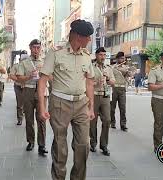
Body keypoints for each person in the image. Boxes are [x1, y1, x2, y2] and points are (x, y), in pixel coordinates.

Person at [38, 19, 95, 180]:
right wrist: (42, 108)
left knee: (84, 146)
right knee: (60, 147)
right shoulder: (56, 53)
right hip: (60, 104)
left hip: (81, 104)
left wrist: (91, 107)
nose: (89, 40)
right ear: (77, 36)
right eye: (87, 37)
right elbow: (42, 81)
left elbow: (89, 81)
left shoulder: (86, 55)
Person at [16, 39, 48, 156]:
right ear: (30, 48)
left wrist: (43, 76)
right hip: (28, 90)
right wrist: (29, 76)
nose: (36, 50)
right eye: (34, 47)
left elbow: (51, 76)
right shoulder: (24, 62)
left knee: (42, 118)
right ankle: (30, 141)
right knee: (29, 119)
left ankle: (42, 144)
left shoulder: (45, 62)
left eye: (38, 47)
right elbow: (19, 77)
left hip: (42, 91)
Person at [90, 47, 115, 156]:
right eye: (101, 55)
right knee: (92, 121)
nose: (103, 57)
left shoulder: (108, 68)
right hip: (94, 96)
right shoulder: (90, 67)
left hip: (105, 96)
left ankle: (104, 145)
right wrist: (96, 82)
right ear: (96, 55)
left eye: (104, 55)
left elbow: (113, 82)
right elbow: (85, 82)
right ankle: (93, 143)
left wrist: (108, 79)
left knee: (107, 120)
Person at [110, 52, 131, 131]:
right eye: (121, 58)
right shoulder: (112, 67)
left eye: (123, 58)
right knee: (112, 108)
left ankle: (123, 124)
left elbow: (130, 75)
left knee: (123, 108)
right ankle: (112, 123)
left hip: (122, 89)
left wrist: (128, 72)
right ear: (117, 59)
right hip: (114, 89)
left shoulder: (126, 67)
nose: (123, 60)